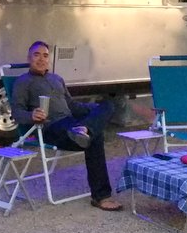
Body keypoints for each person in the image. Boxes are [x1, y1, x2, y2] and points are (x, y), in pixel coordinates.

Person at [10, 40, 122, 211]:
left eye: (45, 55)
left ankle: (85, 129)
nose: (41, 59)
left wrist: (94, 108)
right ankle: (101, 196)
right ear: (29, 58)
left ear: (49, 59)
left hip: (71, 124)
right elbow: (17, 113)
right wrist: (31, 115)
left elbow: (72, 106)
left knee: (108, 105)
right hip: (51, 128)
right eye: (36, 55)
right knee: (95, 137)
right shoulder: (23, 82)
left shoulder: (56, 79)